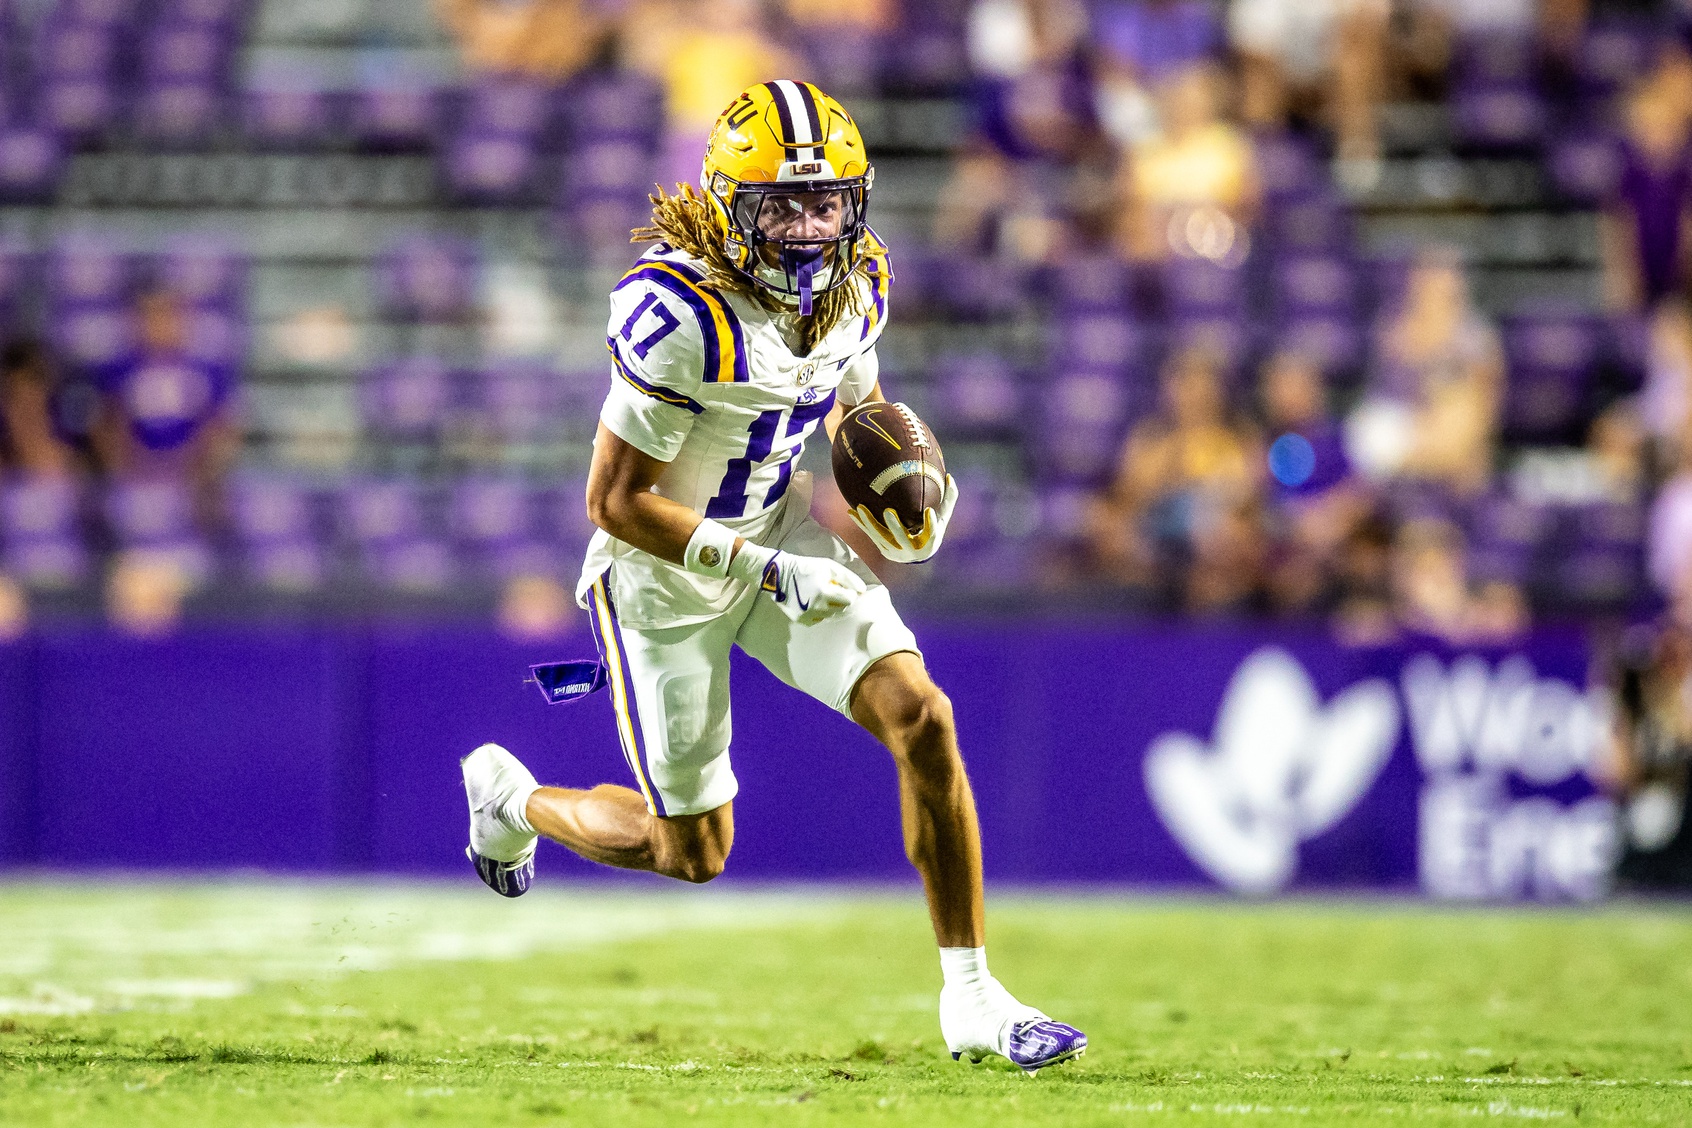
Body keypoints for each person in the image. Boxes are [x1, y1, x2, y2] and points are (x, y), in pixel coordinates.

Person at [459, 80, 1086, 1074]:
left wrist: (898, 481)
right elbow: (614, 501)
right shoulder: (679, 313)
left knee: (922, 715)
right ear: (727, 205)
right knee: (691, 852)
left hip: (777, 529)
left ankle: (972, 997)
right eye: (781, 207)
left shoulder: (856, 285)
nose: (807, 230)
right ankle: (511, 800)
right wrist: (758, 569)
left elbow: (854, 405)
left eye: (826, 203)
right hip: (661, 573)